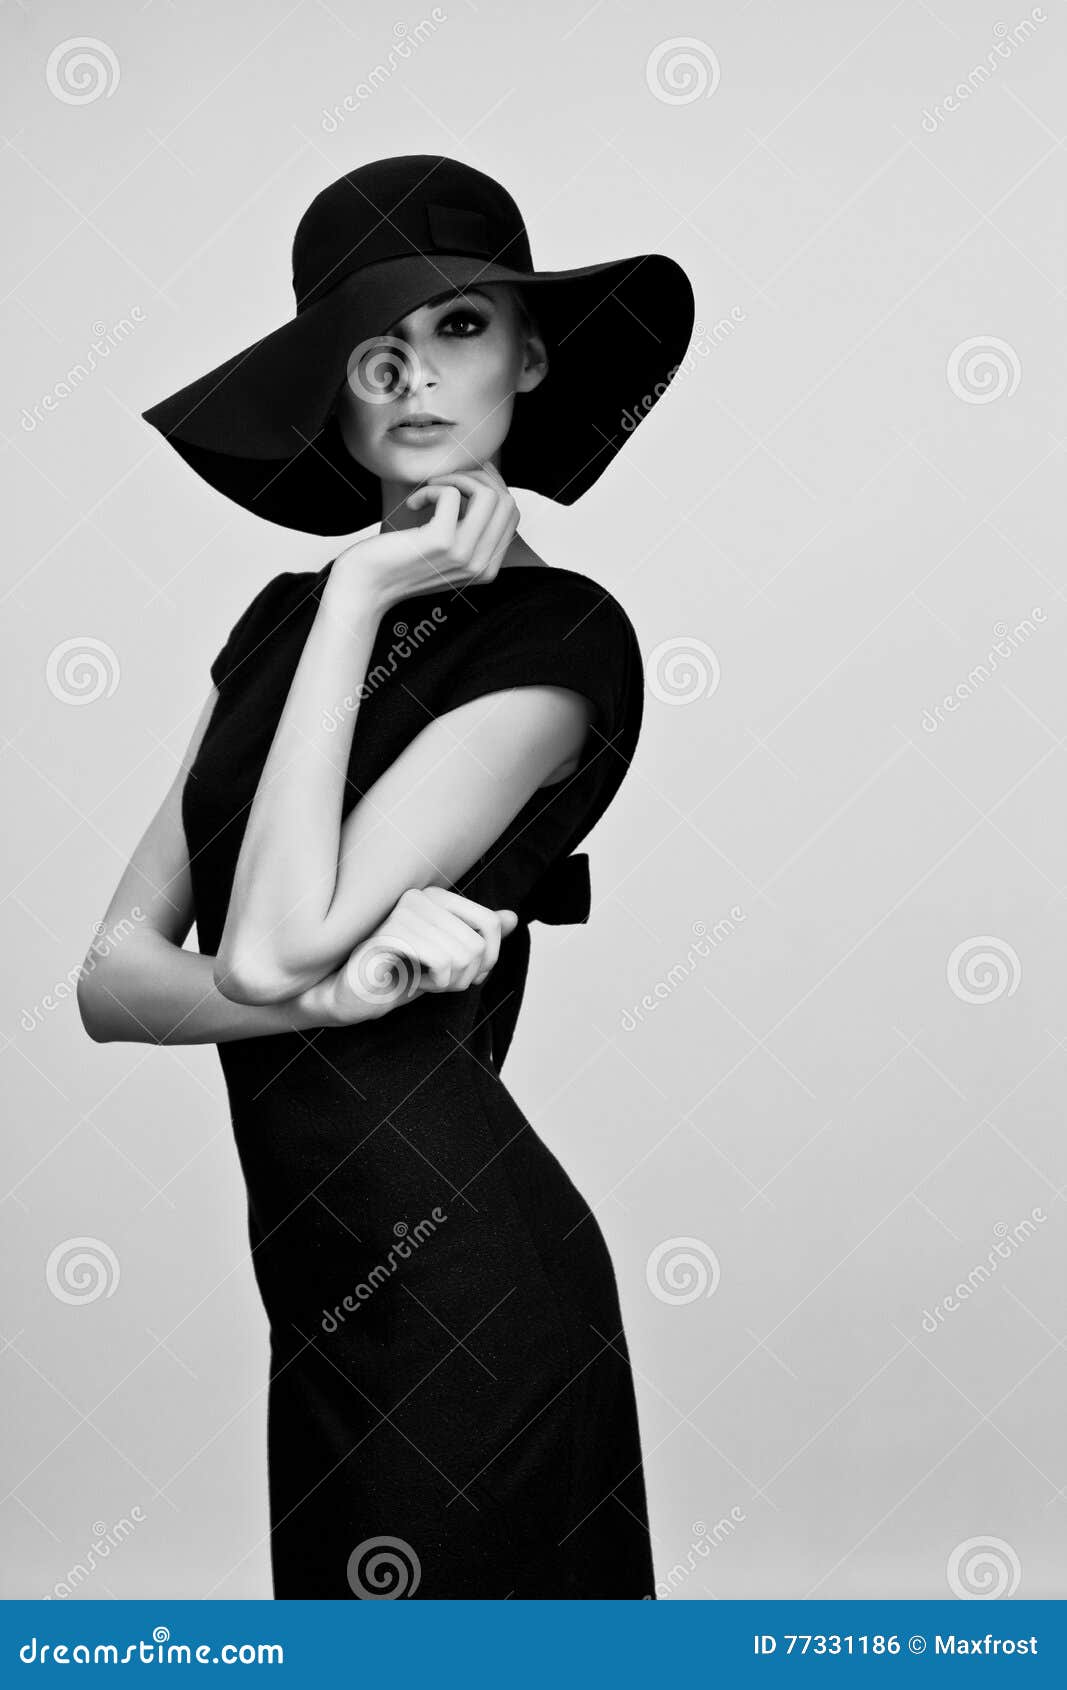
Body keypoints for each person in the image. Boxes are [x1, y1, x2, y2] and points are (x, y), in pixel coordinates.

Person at [78, 155, 695, 1599]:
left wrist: (363, 591)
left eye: (464, 327)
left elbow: (262, 944)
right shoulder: (279, 627)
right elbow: (113, 977)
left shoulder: (561, 638)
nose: (420, 376)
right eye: (379, 349)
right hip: (322, 1293)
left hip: (471, 1284)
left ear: (532, 356)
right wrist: (335, 990)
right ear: (335, 390)